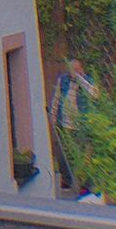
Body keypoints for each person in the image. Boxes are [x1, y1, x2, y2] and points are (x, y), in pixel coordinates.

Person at [48, 59, 97, 187]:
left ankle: (85, 184)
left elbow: (94, 95)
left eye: (76, 69)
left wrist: (80, 79)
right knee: (64, 154)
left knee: (81, 155)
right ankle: (67, 180)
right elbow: (57, 97)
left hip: (80, 125)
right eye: (71, 70)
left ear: (81, 69)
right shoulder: (63, 80)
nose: (73, 73)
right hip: (64, 124)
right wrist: (53, 116)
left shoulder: (88, 81)